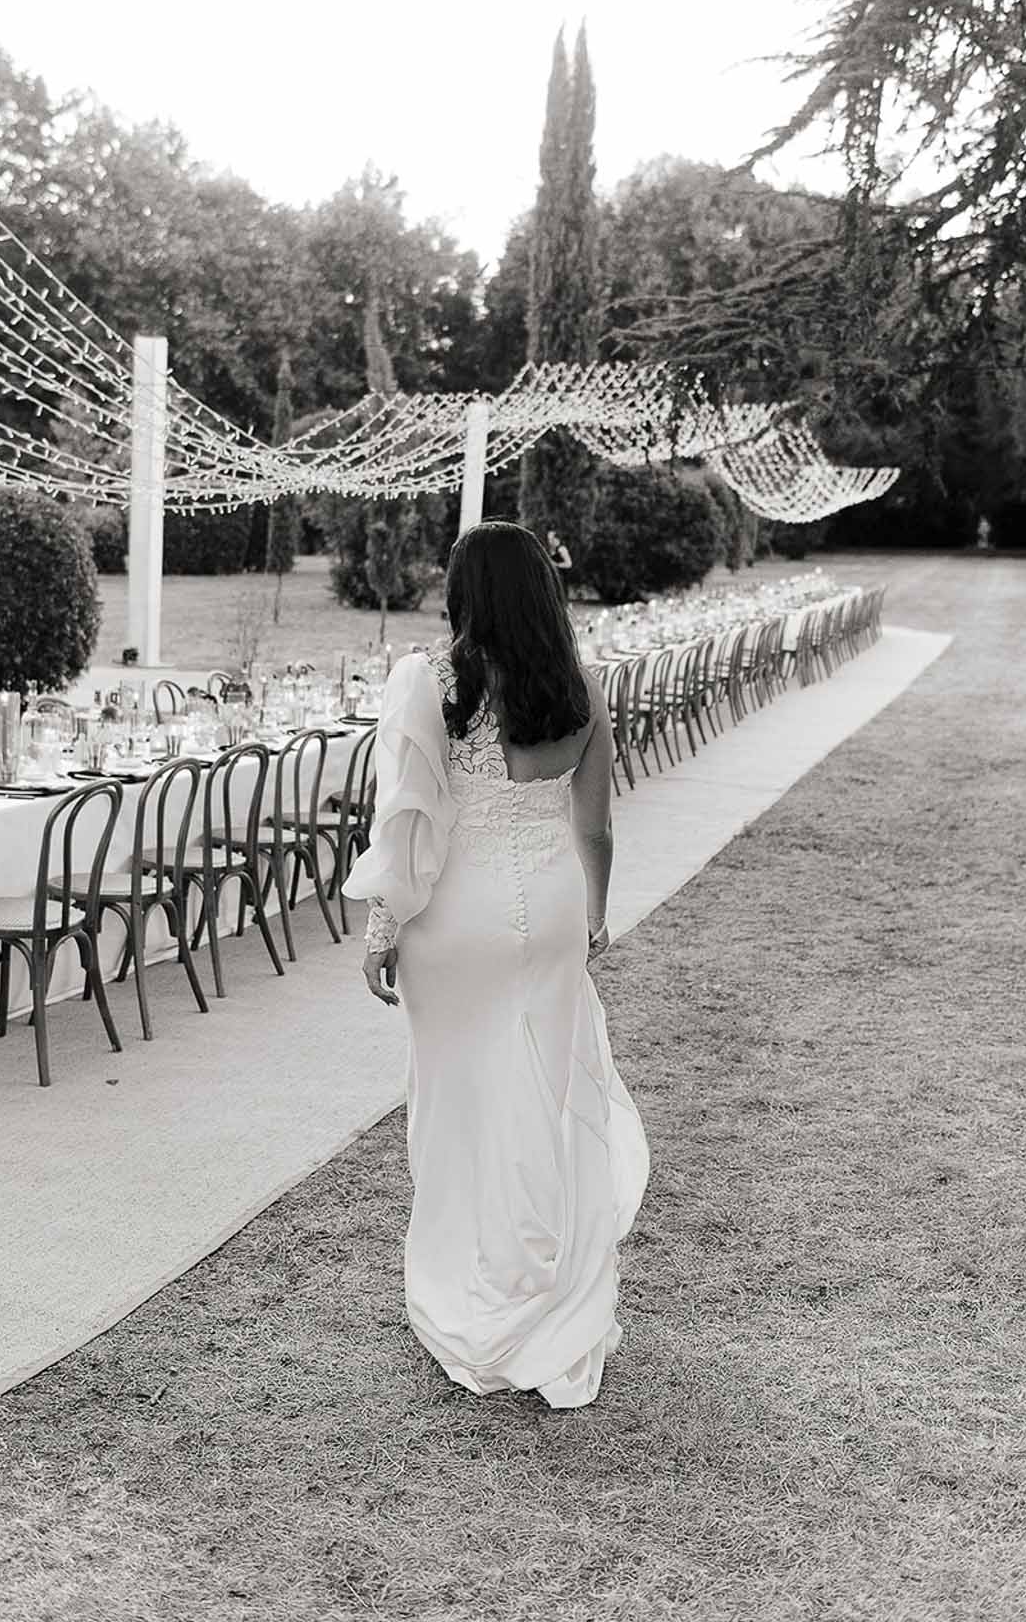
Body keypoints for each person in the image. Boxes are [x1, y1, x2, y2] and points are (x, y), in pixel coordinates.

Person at [344, 520, 649, 1408]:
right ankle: (539, 1274)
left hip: (457, 919)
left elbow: (407, 824)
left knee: (457, 1102)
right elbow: (594, 828)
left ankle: (477, 1285)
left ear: (463, 592)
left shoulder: (430, 682)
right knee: (541, 1091)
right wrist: (592, 913)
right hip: (550, 905)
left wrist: (381, 929)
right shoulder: (584, 689)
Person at [545, 526, 573, 597]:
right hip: (553, 580)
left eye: (551, 539)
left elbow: (569, 564)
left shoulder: (562, 549)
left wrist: (556, 565)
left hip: (561, 580)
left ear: (556, 539)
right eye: (548, 539)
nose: (549, 541)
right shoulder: (550, 550)